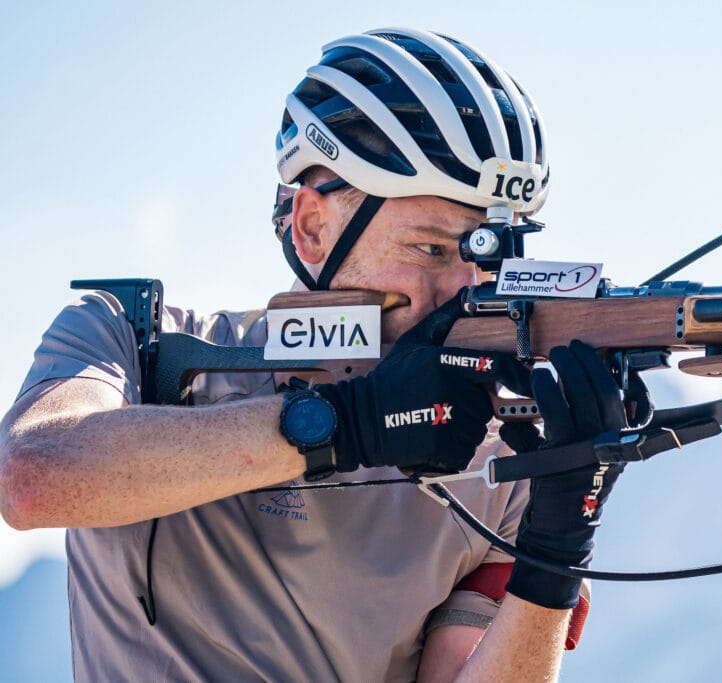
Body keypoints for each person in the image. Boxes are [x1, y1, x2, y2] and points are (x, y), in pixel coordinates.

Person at [0, 28, 624, 681]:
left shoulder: (500, 450)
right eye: (434, 250)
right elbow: (32, 476)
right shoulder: (128, 341)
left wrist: (555, 553)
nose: (463, 294)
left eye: (486, 257)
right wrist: (343, 423)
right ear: (313, 226)